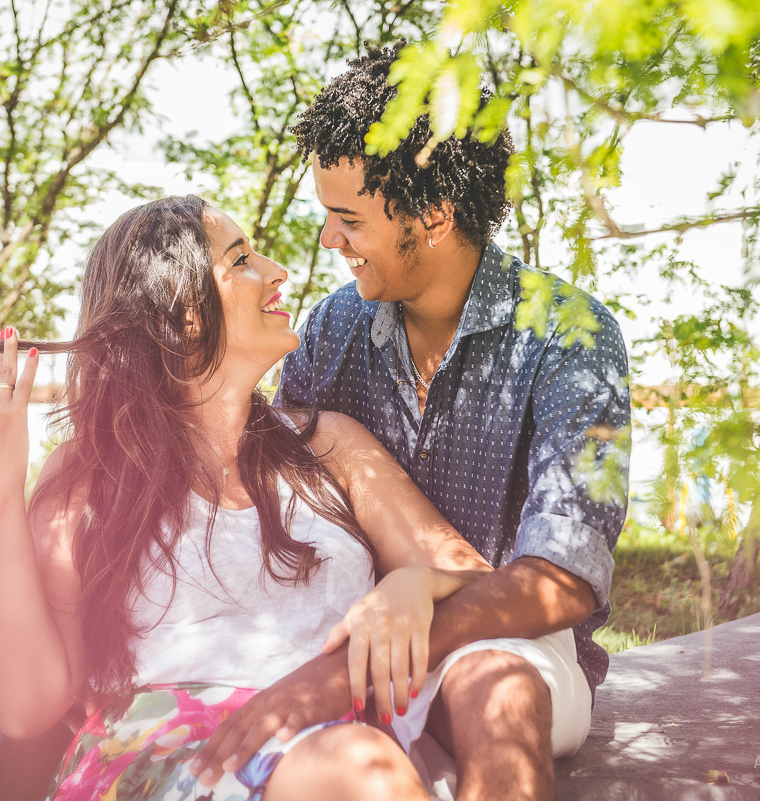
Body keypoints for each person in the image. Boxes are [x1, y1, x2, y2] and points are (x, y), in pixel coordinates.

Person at [185, 43, 632, 801]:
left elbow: (564, 582)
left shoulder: (572, 336)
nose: (329, 240)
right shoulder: (330, 330)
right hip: (353, 635)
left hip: (508, 638)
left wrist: (414, 599)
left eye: (347, 218)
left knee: (496, 685)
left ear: (432, 216)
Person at [0, 195, 496, 801]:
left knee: (359, 762)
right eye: (240, 259)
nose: (275, 270)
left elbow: (478, 583)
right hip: (160, 764)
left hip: (325, 758)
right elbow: (25, 707)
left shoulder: (331, 447)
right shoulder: (91, 475)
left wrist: (414, 585)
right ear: (183, 311)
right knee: (362, 765)